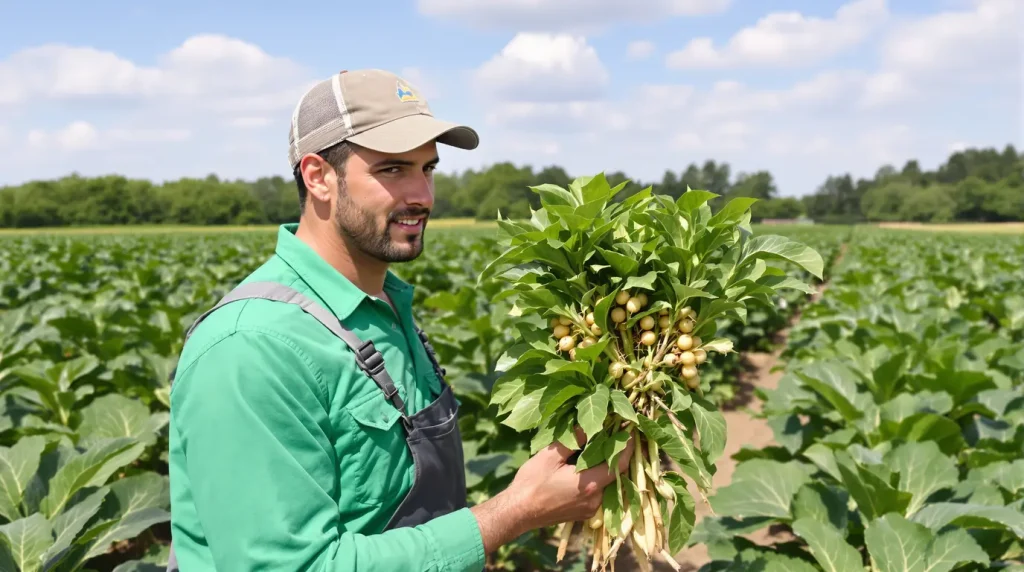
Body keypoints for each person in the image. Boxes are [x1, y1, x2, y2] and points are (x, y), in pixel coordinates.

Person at [166, 68, 634, 571]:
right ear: (318, 176)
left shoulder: (385, 306)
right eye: (392, 170)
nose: (423, 196)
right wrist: (514, 512)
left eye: (428, 169)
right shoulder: (252, 347)